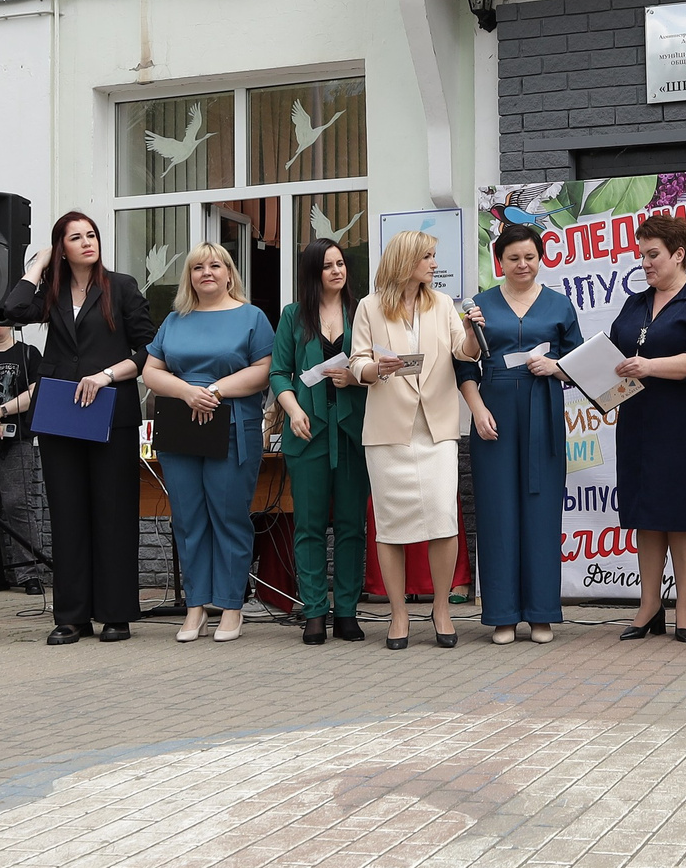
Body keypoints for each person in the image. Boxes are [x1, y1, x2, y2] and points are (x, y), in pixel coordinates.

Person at [0, 212, 157, 645]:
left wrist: (106, 374)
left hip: (109, 410)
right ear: (61, 247)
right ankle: (72, 616)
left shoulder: (120, 287)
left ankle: (115, 614)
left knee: (113, 512)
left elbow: (149, 348)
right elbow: (11, 311)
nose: (87, 242)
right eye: (75, 237)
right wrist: (39, 264)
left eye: (91, 235)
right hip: (60, 414)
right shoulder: (50, 291)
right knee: (66, 515)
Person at [352, 228, 480, 648]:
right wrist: (377, 369)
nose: (433, 263)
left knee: (443, 519)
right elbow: (357, 365)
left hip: (437, 429)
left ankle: (440, 608)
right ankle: (399, 614)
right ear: (407, 260)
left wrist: (473, 332)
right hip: (389, 432)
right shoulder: (369, 307)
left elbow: (464, 352)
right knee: (390, 526)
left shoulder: (443, 303)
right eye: (427, 256)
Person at [605, 212, 686, 645]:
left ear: (680, 254)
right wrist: (599, 387)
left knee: (681, 513)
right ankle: (649, 604)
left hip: (682, 422)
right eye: (641, 255)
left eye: (653, 254)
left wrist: (650, 365)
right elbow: (614, 355)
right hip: (637, 421)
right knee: (646, 514)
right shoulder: (634, 303)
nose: (645, 263)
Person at [143, 242, 275, 643]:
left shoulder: (252, 317)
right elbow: (151, 371)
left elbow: (265, 369)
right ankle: (196, 607)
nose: (207, 272)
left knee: (229, 517)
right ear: (190, 277)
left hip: (233, 426)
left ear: (230, 273)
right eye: (198, 267)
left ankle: (231, 607)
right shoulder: (175, 320)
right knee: (187, 519)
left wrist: (213, 391)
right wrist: (187, 392)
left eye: (215, 265)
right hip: (181, 427)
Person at [461, 224, 582, 646]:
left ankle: (541, 613)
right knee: (497, 513)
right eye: (513, 258)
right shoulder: (479, 305)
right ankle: (502, 615)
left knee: (542, 512)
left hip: (542, 412)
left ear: (541, 257)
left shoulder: (559, 305)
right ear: (500, 261)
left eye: (529, 256)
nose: (522, 265)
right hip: (493, 413)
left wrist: (556, 368)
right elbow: (463, 364)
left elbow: (579, 358)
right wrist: (477, 410)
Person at [273, 237, 371, 645]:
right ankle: (314, 611)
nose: (337, 271)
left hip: (352, 430)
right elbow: (279, 372)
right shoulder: (293, 315)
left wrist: (357, 374)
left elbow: (375, 363)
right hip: (308, 431)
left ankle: (346, 611)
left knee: (352, 526)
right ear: (313, 273)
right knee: (309, 527)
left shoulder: (361, 310)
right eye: (328, 265)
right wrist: (293, 410)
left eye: (341, 264)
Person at [0, 312, 45, 593]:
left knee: (17, 504)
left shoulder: (28, 353)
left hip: (18, 438)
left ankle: (28, 572)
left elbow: (36, 392)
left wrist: (0, 412)